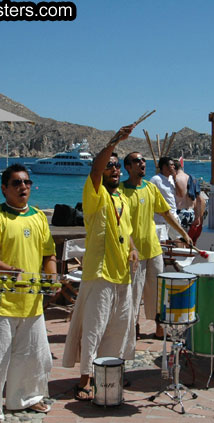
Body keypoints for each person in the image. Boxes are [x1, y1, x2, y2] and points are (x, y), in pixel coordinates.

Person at [0, 164, 57, 423]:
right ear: (4, 187)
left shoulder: (38, 216)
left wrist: (51, 280)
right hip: (1, 302)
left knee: (34, 356)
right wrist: (10, 270)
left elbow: (48, 254)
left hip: (31, 301)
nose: (23, 187)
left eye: (27, 182)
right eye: (16, 183)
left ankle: (25, 398)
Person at [62, 124, 139, 402]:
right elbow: (95, 169)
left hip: (122, 275)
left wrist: (132, 250)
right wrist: (116, 140)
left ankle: (111, 373)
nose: (115, 170)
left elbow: (126, 230)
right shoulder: (95, 194)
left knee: (118, 328)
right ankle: (85, 379)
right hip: (100, 272)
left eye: (118, 166)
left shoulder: (122, 199)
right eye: (111, 166)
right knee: (93, 328)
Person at [121, 152, 193, 339]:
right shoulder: (120, 192)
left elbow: (167, 213)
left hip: (153, 249)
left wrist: (184, 233)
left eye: (143, 160)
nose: (142, 163)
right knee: (134, 293)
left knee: (159, 292)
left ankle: (160, 328)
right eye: (137, 161)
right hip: (133, 251)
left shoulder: (150, 188)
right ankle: (133, 328)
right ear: (128, 167)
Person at [174, 162, 206, 242]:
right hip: (191, 213)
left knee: (178, 242)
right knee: (188, 241)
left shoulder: (174, 179)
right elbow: (199, 199)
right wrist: (198, 217)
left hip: (180, 213)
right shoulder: (192, 179)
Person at [149, 156, 178, 237]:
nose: (174, 167)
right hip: (161, 219)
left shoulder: (172, 179)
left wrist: (175, 177)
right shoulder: (156, 179)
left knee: (180, 240)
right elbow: (150, 197)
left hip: (173, 216)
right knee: (163, 242)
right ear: (164, 166)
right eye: (171, 165)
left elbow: (180, 194)